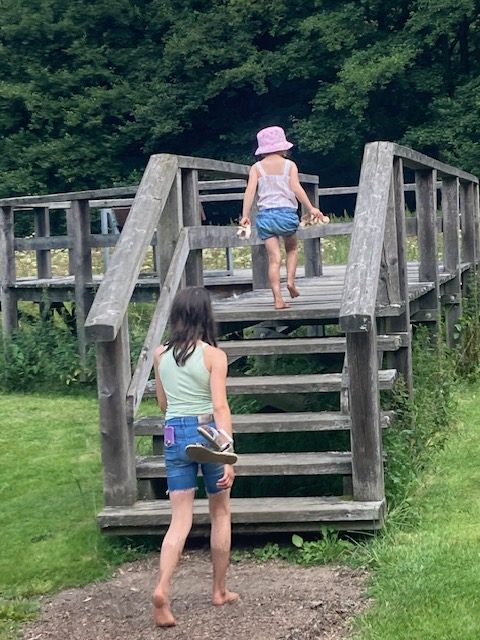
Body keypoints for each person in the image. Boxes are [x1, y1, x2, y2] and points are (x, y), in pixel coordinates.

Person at [151, 286, 239, 627]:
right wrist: (227, 451)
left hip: (173, 435)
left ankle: (162, 588)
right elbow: (220, 406)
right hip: (206, 433)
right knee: (220, 511)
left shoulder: (160, 355)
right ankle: (219, 590)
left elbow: (163, 404)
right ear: (205, 316)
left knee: (179, 519)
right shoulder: (214, 356)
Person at [240, 126, 329, 309]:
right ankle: (290, 282)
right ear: (283, 147)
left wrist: (245, 215)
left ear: (262, 149)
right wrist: (311, 207)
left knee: (274, 258)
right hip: (286, 215)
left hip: (265, 217)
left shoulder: (256, 168)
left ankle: (278, 299)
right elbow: (296, 188)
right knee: (292, 249)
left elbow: (250, 191)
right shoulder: (290, 166)